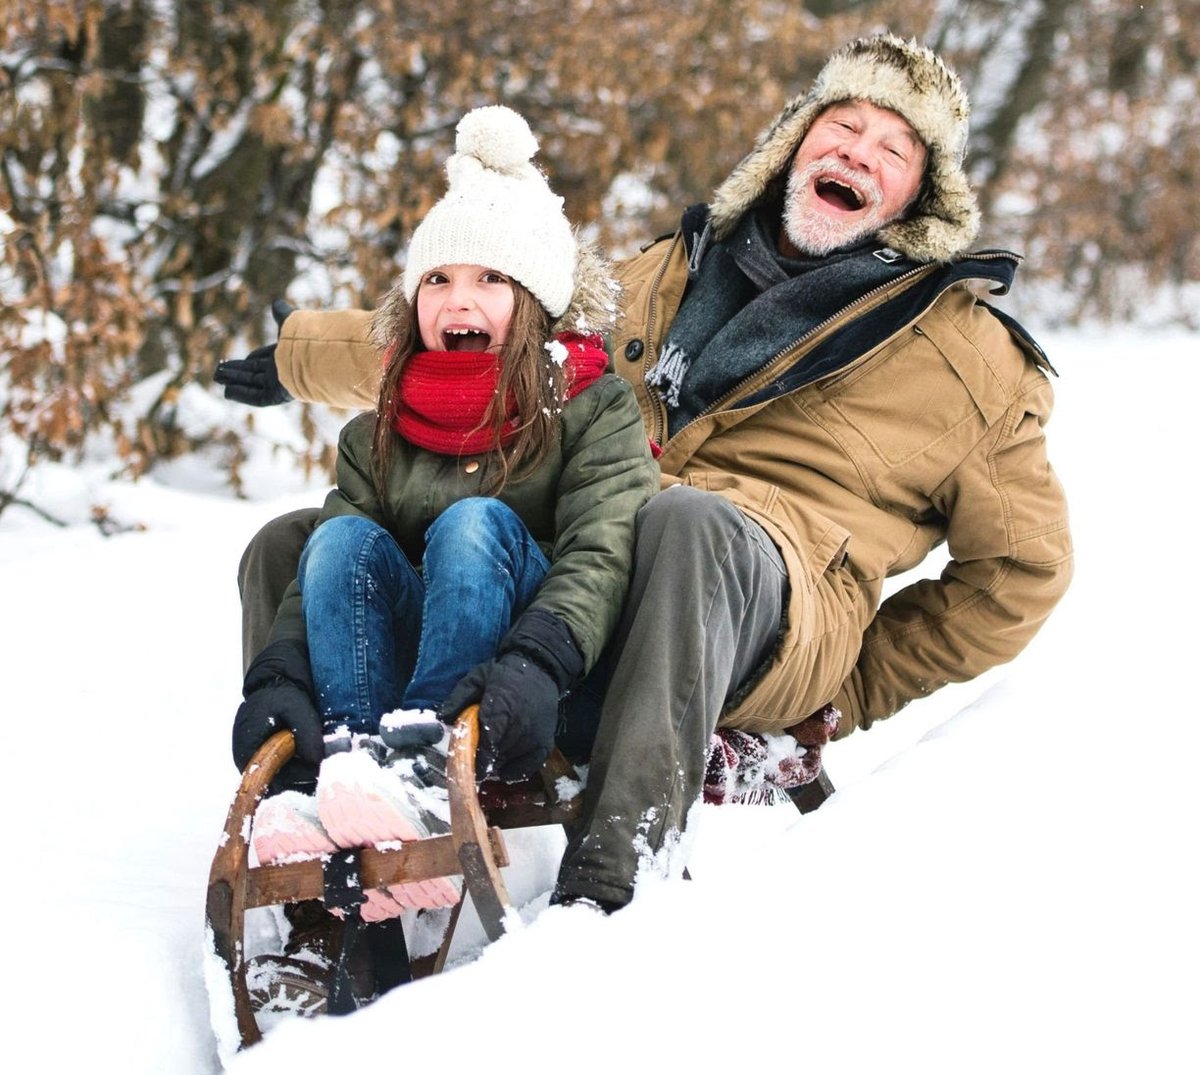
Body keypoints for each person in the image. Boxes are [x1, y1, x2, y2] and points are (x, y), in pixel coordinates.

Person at [217, 35, 1072, 913]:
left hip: (767, 611)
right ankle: (319, 855)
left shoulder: (970, 360)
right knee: (301, 544)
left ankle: (611, 881)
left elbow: (1021, 572)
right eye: (842, 124)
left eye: (893, 148)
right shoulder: (671, 271)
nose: (858, 150)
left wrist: (855, 685)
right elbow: (501, 338)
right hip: (596, 573)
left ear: (920, 194)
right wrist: (299, 354)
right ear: (796, 142)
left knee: (686, 523)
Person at [227, 104, 657, 924]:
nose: (460, 299)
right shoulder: (375, 431)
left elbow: (604, 549)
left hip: (527, 676)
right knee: (343, 536)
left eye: (491, 279)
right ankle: (355, 772)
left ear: (533, 302)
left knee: (473, 523)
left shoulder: (592, 408)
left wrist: (541, 658)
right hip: (410, 645)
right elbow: (334, 565)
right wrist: (279, 675)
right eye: (439, 278)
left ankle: (418, 768)